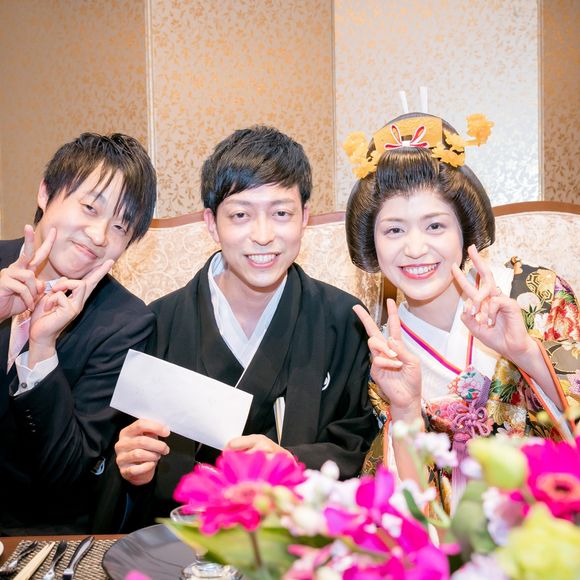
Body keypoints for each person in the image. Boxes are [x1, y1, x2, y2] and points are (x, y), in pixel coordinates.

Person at [115, 125, 378, 525]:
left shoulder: (343, 320)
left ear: (305, 217)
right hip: (185, 539)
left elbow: (358, 442)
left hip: (303, 539)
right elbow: (129, 455)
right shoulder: (159, 323)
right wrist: (135, 468)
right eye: (240, 215)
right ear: (211, 223)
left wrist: (292, 462)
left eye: (281, 213)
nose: (263, 235)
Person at [344, 112, 579, 513]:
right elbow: (410, 511)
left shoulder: (536, 295)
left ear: (464, 229)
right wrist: (405, 410)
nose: (415, 248)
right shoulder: (385, 357)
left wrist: (526, 355)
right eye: (394, 230)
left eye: (435, 226)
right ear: (373, 243)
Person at [0, 132, 157, 534]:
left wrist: (42, 348)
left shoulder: (125, 323)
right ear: (45, 192)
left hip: (30, 535)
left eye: (121, 227)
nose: (99, 236)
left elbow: (66, 474)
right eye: (90, 208)